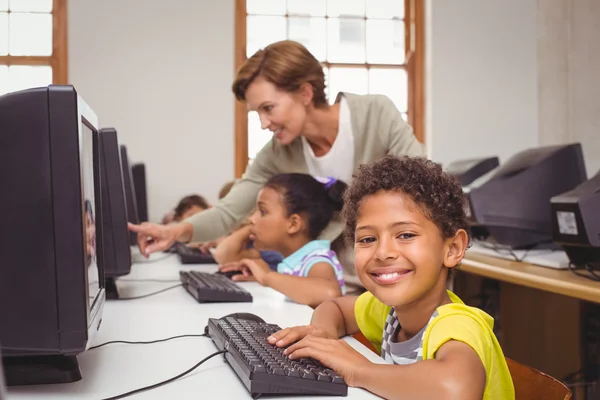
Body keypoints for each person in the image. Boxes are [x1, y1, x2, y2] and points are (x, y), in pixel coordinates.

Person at [128, 40, 425, 281]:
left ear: (305, 92)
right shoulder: (276, 153)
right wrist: (173, 231)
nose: (263, 123)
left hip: (397, 270)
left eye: (268, 108)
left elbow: (421, 184)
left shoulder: (376, 113)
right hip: (337, 279)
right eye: (257, 112)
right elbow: (228, 212)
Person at [267, 156, 514, 399]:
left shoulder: (457, 325)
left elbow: (455, 389)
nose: (383, 253)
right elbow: (336, 308)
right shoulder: (389, 311)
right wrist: (321, 334)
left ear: (451, 249)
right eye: (367, 239)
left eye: (405, 235)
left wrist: (361, 370)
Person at [218, 173, 347, 307]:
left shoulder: (317, 260)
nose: (252, 219)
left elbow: (330, 293)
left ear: (293, 224)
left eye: (263, 211)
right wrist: (269, 277)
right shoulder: (295, 260)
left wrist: (267, 277)